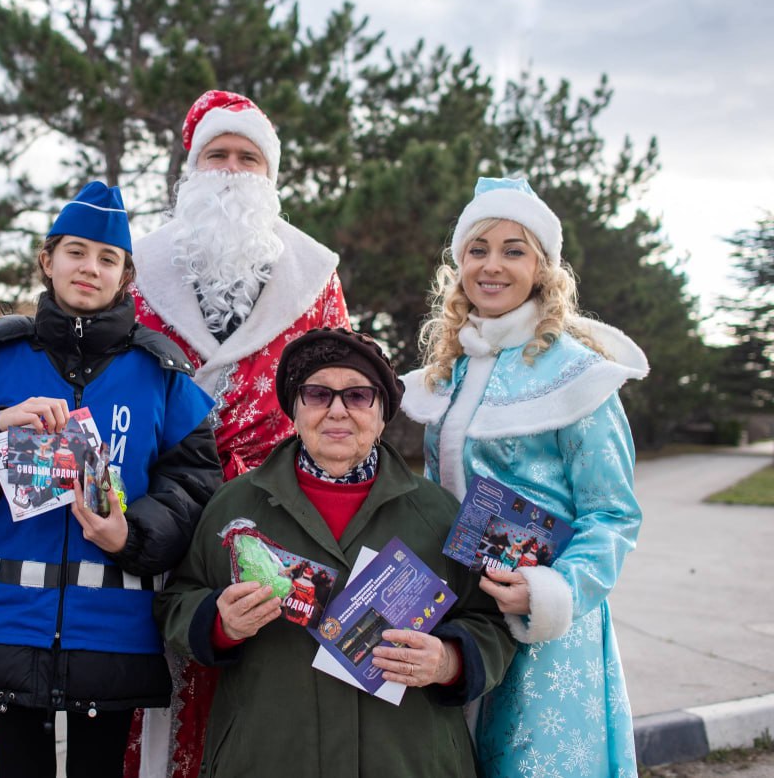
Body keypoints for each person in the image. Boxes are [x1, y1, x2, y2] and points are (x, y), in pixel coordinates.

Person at [0, 181, 222, 778]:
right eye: (76, 252)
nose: (90, 268)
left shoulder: (159, 374)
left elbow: (196, 488)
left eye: (107, 258)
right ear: (47, 259)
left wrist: (130, 535)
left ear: (127, 276)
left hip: (113, 631)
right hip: (4, 619)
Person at [155, 328, 515, 777]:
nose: (337, 410)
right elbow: (177, 600)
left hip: (408, 760)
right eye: (318, 394)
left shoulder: (438, 512)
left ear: (382, 414)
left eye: (359, 396)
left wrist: (448, 660)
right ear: (295, 409)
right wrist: (219, 623)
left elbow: (493, 621)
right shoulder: (235, 505)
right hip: (268, 758)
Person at [129, 88, 351, 778]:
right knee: (153, 696)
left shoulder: (315, 277)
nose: (230, 170)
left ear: (271, 176)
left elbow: (343, 391)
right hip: (156, 514)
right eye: (217, 155)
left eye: (247, 158)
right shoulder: (137, 268)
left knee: (264, 694)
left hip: (277, 518)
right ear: (191, 171)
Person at [401, 176, 648, 776]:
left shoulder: (578, 374)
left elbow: (612, 515)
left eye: (515, 250)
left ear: (542, 267)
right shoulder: (451, 369)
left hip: (543, 631)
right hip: (460, 616)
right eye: (478, 249)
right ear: (458, 263)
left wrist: (551, 593)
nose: (493, 266)